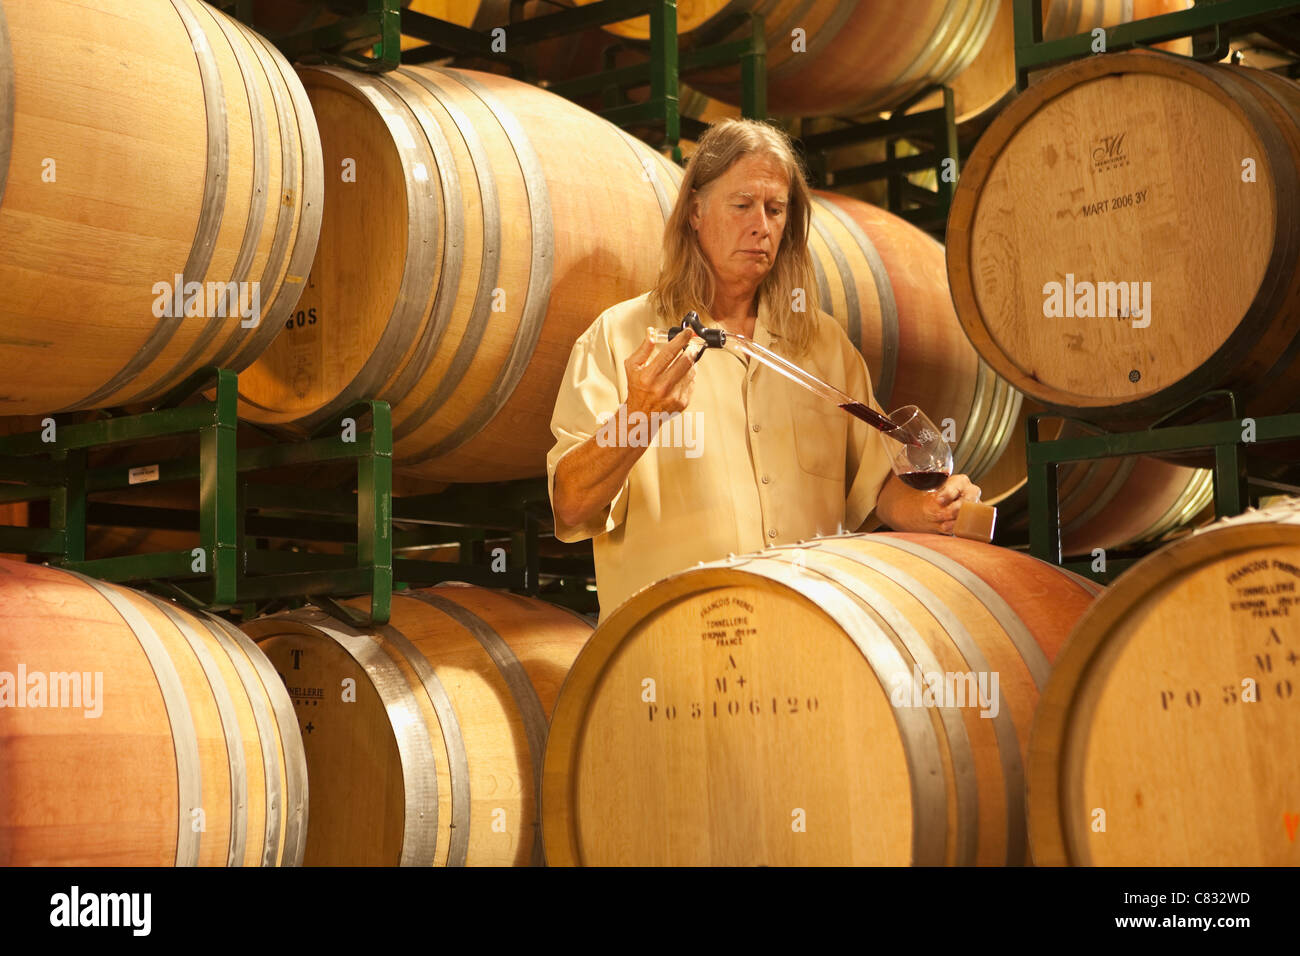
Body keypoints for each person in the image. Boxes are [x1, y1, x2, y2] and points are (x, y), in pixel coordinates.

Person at [547, 118, 981, 621]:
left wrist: (929, 508)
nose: (762, 225)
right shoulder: (621, 336)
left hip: (806, 639)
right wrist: (638, 416)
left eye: (776, 209)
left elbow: (878, 487)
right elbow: (571, 505)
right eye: (742, 205)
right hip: (669, 656)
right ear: (694, 211)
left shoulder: (822, 345)